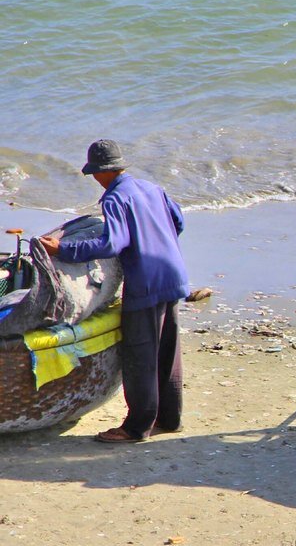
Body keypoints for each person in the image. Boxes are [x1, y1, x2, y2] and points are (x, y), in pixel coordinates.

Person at [40, 139, 189, 443]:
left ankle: (136, 427)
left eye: (94, 173)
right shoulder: (151, 188)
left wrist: (64, 249)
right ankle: (170, 420)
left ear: (101, 172)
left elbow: (111, 244)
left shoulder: (114, 199)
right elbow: (178, 222)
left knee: (140, 355)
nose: (94, 179)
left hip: (145, 283)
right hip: (173, 274)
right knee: (168, 351)